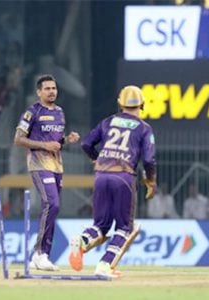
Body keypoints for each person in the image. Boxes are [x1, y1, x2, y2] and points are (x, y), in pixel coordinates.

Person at [69, 85, 156, 278]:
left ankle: (82, 240)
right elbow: (149, 160)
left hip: (101, 175)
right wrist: (150, 181)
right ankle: (105, 265)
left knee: (100, 225)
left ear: (120, 104)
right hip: (124, 177)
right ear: (141, 104)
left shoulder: (108, 122)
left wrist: (96, 158)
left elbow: (85, 143)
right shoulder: (144, 128)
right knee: (125, 227)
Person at [14, 74, 80, 271]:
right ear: (39, 92)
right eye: (47, 88)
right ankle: (38, 253)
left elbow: (56, 143)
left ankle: (43, 256)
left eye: (54, 88)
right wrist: (44, 144)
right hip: (38, 164)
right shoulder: (32, 112)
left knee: (54, 208)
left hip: (57, 165)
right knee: (52, 203)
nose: (52, 91)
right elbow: (18, 139)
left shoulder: (60, 112)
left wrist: (67, 140)